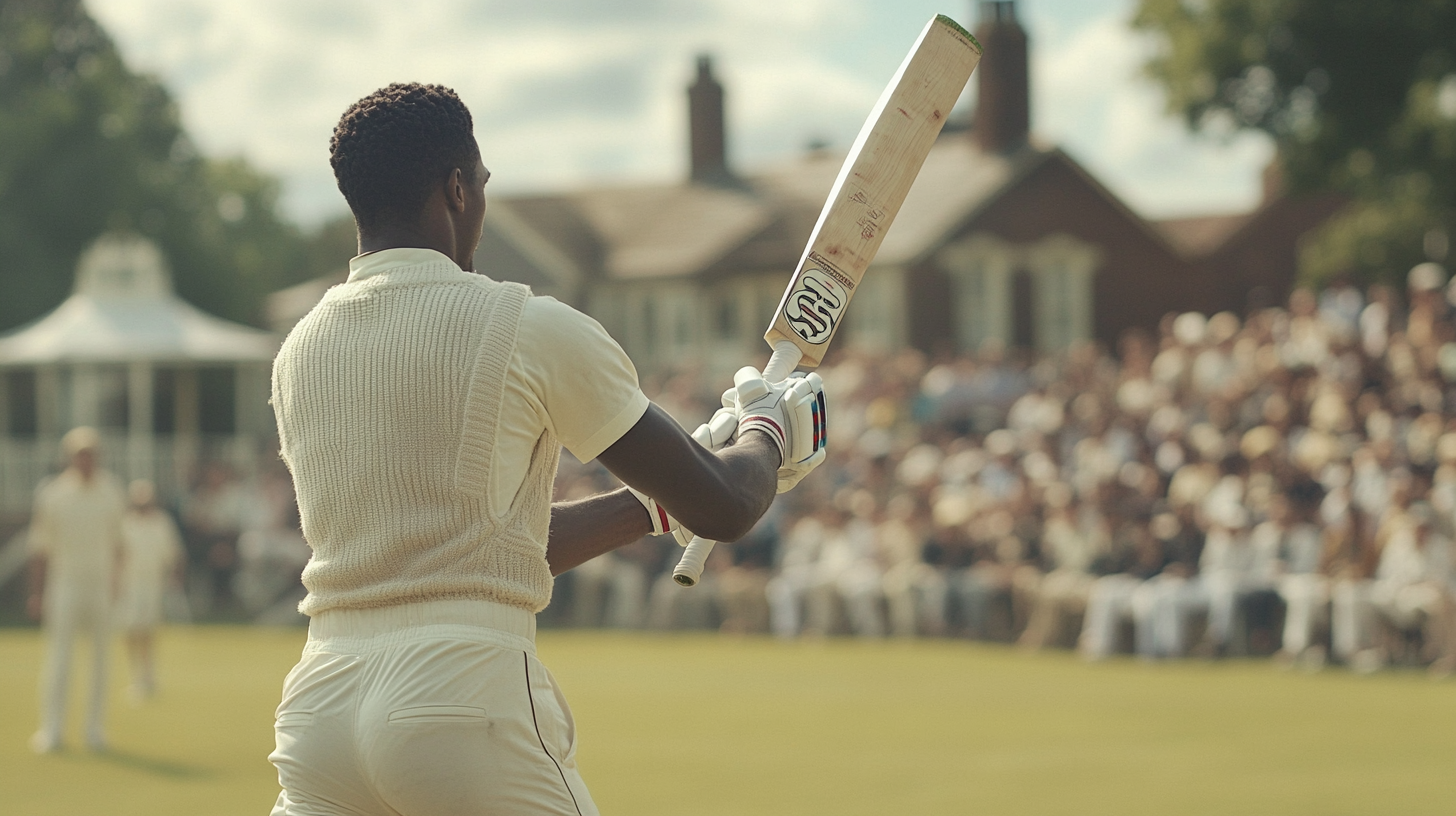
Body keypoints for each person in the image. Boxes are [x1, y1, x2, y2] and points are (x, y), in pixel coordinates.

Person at [266, 83, 826, 816]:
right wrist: (769, 436)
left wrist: (654, 508)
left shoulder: (299, 349)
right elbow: (725, 507)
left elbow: (478, 548)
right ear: (458, 189)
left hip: (320, 713)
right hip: (461, 695)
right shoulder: (525, 322)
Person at [26, 427, 127, 753]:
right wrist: (37, 592)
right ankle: (51, 730)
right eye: (80, 454)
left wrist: (117, 583)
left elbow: (119, 544)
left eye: (91, 454)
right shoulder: (53, 494)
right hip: (65, 583)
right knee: (59, 658)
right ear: (70, 458)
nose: (86, 460)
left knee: (100, 660)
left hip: (98, 585)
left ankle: (94, 730)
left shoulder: (111, 491)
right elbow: (41, 548)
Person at [116, 479, 185, 699]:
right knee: (131, 631)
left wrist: (174, 576)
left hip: (153, 584)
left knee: (148, 631)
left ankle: (148, 677)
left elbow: (173, 553)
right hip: (129, 584)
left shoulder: (162, 522)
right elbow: (117, 554)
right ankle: (137, 676)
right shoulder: (125, 523)